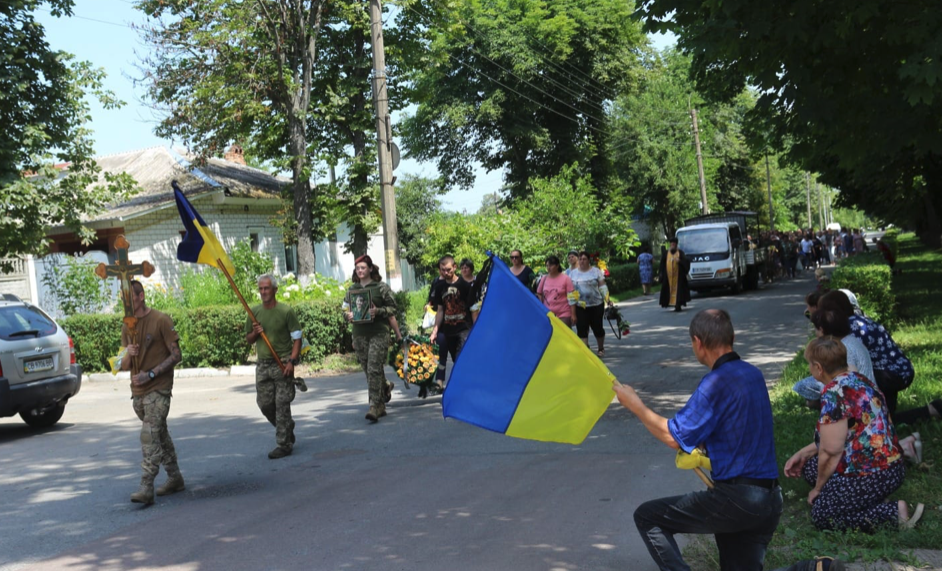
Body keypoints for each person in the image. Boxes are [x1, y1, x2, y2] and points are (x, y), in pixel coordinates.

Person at [613, 309, 782, 571]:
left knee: (648, 517)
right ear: (731, 338)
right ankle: (817, 567)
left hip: (738, 500)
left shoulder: (715, 382)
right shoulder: (752, 374)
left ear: (698, 342)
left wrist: (636, 406)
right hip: (770, 499)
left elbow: (673, 437)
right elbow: (741, 427)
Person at [784, 337, 923, 531]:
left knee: (822, 514)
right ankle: (863, 499)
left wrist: (818, 489)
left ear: (818, 367)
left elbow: (831, 451)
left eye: (809, 364)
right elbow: (846, 434)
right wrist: (804, 453)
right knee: (810, 467)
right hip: (890, 465)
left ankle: (892, 513)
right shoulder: (857, 379)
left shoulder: (834, 393)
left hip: (873, 471)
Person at [120, 280, 184, 506]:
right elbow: (122, 364)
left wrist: (152, 374)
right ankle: (175, 477)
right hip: (137, 393)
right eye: (122, 298)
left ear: (141, 296)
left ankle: (146, 486)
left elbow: (177, 355)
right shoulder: (127, 325)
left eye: (129, 297)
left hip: (159, 388)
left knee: (148, 435)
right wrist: (128, 352)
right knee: (160, 434)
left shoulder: (161, 320)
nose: (125, 302)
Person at [817, 290, 914, 415]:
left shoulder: (852, 327)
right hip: (896, 370)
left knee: (878, 419)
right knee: (886, 417)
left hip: (889, 374)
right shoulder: (858, 321)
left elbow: (849, 365)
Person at [245, 274, 302, 459]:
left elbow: (297, 338)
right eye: (261, 289)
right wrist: (255, 332)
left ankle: (284, 444)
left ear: (275, 290)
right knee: (264, 404)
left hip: (282, 362)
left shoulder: (286, 311)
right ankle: (286, 426)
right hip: (263, 365)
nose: (263, 292)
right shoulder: (254, 313)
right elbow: (248, 340)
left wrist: (292, 361)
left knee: (282, 404)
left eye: (267, 288)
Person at [344, 255, 398, 423]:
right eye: (358, 268)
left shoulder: (381, 288)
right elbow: (344, 310)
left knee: (374, 367)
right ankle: (384, 388)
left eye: (363, 268)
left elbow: (393, 308)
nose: (360, 271)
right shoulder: (352, 290)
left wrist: (379, 312)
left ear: (370, 269)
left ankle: (374, 406)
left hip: (378, 333)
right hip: (360, 334)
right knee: (369, 370)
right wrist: (348, 316)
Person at [793, 308, 874, 407]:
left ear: (822, 329)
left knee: (803, 385)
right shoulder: (849, 340)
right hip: (868, 396)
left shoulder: (842, 348)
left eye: (816, 328)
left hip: (859, 402)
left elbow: (850, 377)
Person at [429, 255, 474, 391]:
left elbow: (473, 309)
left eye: (448, 269)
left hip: (464, 328)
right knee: (456, 360)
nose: (446, 273)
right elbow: (440, 311)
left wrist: (476, 328)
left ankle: (460, 388)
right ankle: (467, 384)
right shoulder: (439, 286)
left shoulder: (465, 286)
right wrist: (435, 331)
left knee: (461, 358)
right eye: (443, 270)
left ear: (454, 267)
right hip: (448, 330)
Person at [569, 251, 608, 356]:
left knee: (597, 328)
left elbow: (602, 287)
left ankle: (601, 348)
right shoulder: (573, 274)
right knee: (581, 329)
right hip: (580, 307)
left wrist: (607, 299)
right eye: (580, 259)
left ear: (588, 261)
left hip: (596, 305)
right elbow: (571, 293)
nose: (582, 261)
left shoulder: (596, 272)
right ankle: (586, 354)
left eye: (584, 259)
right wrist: (572, 311)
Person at [536, 255, 575, 327]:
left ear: (557, 266)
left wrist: (573, 314)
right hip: (548, 314)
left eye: (551, 265)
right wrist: (541, 304)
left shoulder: (566, 278)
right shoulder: (544, 278)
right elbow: (539, 293)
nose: (548, 268)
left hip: (564, 314)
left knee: (564, 336)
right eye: (547, 265)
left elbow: (571, 297)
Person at [658, 237, 690, 312]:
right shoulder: (666, 253)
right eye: (671, 244)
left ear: (676, 245)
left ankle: (677, 305)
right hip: (668, 277)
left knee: (679, 292)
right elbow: (662, 264)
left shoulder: (680, 253)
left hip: (678, 277)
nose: (672, 245)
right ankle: (671, 303)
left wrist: (680, 261)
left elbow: (686, 262)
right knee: (668, 291)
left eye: (674, 244)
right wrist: (661, 274)